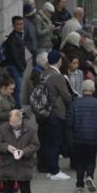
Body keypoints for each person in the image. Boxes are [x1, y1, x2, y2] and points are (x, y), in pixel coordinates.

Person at [0, 109, 39, 193]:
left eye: (17, 124)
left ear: (21, 120)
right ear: (9, 120)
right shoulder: (3, 128)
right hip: (8, 166)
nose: (14, 126)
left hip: (24, 167)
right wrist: (7, 147)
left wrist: (24, 152)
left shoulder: (30, 130)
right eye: (12, 124)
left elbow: (35, 145)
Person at [67, 79, 97, 193]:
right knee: (91, 159)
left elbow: (69, 122)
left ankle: (79, 185)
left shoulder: (75, 103)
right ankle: (89, 176)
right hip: (93, 138)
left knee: (80, 161)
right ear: (93, 90)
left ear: (82, 89)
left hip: (78, 138)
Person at [42, 50, 72, 180]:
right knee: (56, 143)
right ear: (59, 60)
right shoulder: (57, 76)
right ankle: (55, 171)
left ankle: (50, 168)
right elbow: (66, 95)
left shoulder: (44, 73)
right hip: (57, 112)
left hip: (46, 112)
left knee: (48, 142)